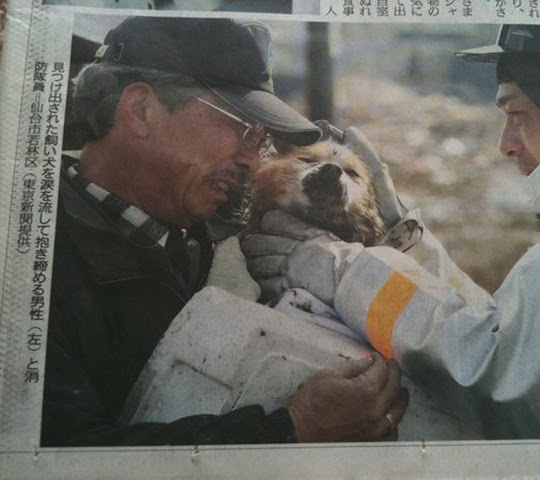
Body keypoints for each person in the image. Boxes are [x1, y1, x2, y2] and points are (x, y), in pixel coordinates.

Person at [242, 24, 540, 438]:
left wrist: (338, 268)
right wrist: (407, 244)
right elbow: (497, 330)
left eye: (517, 114)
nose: (506, 144)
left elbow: (488, 375)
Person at [42, 16, 408, 446]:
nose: (253, 162)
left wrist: (399, 235)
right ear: (140, 110)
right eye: (241, 128)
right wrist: (291, 430)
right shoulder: (33, 263)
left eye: (261, 141)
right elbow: (58, 457)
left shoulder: (223, 232)